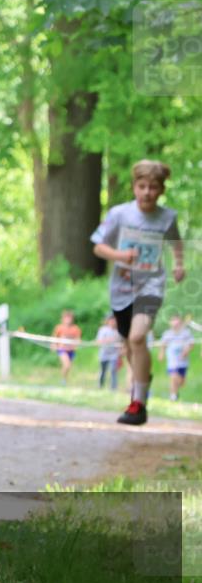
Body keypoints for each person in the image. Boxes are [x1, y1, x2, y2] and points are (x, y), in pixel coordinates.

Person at [91, 159, 185, 425]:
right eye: (142, 186)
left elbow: (176, 243)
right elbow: (98, 246)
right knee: (129, 345)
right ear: (134, 187)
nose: (147, 192)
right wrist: (120, 255)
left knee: (137, 337)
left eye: (153, 187)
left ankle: (138, 403)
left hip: (151, 286)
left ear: (161, 190)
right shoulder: (120, 214)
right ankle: (143, 381)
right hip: (121, 288)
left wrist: (179, 265)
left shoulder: (167, 217)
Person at [158, 313, 194, 401]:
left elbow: (191, 344)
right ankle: (173, 396)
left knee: (181, 382)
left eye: (177, 320)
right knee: (173, 377)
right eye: (173, 320)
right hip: (172, 361)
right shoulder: (167, 334)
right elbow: (163, 344)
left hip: (183, 362)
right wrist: (161, 353)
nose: (175, 323)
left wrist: (185, 352)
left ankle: (175, 391)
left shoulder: (186, 333)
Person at [51, 310, 82, 385]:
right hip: (62, 349)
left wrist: (78, 344)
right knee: (66, 364)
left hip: (71, 350)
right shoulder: (59, 328)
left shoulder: (75, 328)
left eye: (70, 318)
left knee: (68, 366)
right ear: (63, 319)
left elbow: (78, 339)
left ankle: (64, 378)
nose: (68, 320)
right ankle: (63, 381)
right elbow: (54, 338)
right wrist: (53, 345)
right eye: (66, 318)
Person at [95, 315, 122, 390]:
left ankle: (113, 388)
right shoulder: (103, 330)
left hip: (114, 354)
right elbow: (98, 342)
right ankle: (100, 385)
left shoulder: (119, 331)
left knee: (113, 370)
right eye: (111, 320)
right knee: (103, 371)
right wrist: (107, 340)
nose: (113, 322)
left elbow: (121, 343)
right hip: (104, 354)